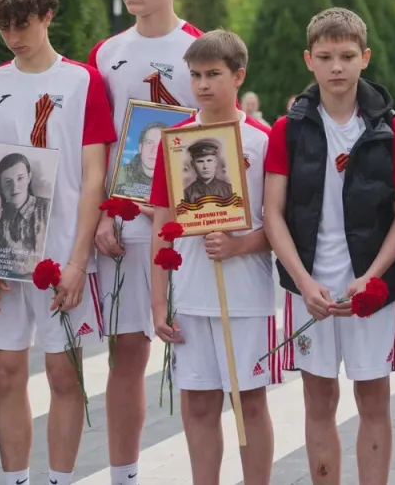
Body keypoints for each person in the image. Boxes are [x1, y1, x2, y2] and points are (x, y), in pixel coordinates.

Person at [0, 0, 116, 485]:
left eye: (22, 23)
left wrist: (78, 260)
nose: (12, 35)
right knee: (5, 375)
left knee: (63, 374)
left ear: (47, 15)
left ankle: (60, 479)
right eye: (3, 26)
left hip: (63, 252)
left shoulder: (83, 80)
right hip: (3, 254)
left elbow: (94, 174)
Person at [263, 7, 395, 485]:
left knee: (373, 401)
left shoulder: (393, 129)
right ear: (308, 59)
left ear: (364, 58)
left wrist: (372, 277)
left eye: (347, 56)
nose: (336, 67)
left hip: (370, 288)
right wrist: (302, 280)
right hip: (311, 287)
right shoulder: (288, 129)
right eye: (326, 57)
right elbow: (272, 212)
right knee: (319, 401)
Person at [87, 0, 202, 485]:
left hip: (189, 225)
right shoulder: (107, 53)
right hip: (127, 221)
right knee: (126, 356)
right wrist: (102, 213)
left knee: (198, 360)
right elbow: (99, 145)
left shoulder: (200, 48)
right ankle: (124, 476)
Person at [150, 30, 278, 485]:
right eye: (196, 75)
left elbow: (280, 224)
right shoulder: (176, 142)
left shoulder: (262, 139)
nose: (203, 85)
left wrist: (240, 244)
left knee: (249, 402)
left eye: (213, 74)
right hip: (190, 293)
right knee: (199, 402)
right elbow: (162, 222)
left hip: (246, 296)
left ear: (239, 76)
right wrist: (159, 299)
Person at [0, 152, 51, 276]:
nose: (15, 187)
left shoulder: (47, 209)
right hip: (5, 282)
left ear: (29, 177)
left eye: (20, 178)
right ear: (0, 185)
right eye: (8, 181)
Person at [112, 121, 168, 198]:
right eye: (149, 143)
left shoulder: (177, 182)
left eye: (161, 144)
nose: (154, 150)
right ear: (140, 147)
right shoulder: (119, 174)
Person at [182, 139, 234, 204]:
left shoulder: (229, 189)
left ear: (215, 162)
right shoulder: (186, 194)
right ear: (193, 164)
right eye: (200, 161)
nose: (205, 167)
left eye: (209, 160)